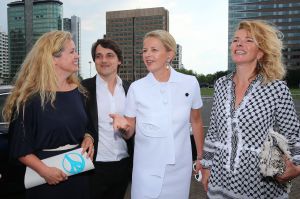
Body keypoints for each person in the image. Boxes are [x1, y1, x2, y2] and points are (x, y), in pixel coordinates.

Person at [201, 20, 300, 198]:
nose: (239, 43)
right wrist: (206, 166)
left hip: (258, 183)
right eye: (236, 40)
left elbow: (293, 135)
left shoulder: (276, 88)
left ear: (260, 52)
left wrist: (297, 167)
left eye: (248, 40)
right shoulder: (221, 84)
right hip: (220, 179)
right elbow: (214, 132)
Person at [110, 29, 205, 199]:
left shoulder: (190, 83)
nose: (147, 55)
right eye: (145, 50)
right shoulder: (136, 88)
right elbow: (130, 130)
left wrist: (200, 157)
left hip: (179, 168)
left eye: (154, 50)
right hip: (146, 169)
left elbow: (196, 121)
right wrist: (123, 127)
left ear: (170, 54)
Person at [3, 30, 94, 199]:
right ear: (53, 58)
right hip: (44, 176)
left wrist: (89, 137)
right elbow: (19, 147)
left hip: (79, 172)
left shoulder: (80, 92)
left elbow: (87, 126)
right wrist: (45, 171)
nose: (78, 55)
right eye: (72, 51)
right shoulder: (29, 99)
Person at [81, 39, 133, 199]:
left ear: (119, 60)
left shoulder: (131, 89)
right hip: (94, 166)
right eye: (99, 56)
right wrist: (86, 134)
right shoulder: (83, 88)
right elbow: (75, 122)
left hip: (124, 164)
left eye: (109, 55)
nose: (104, 60)